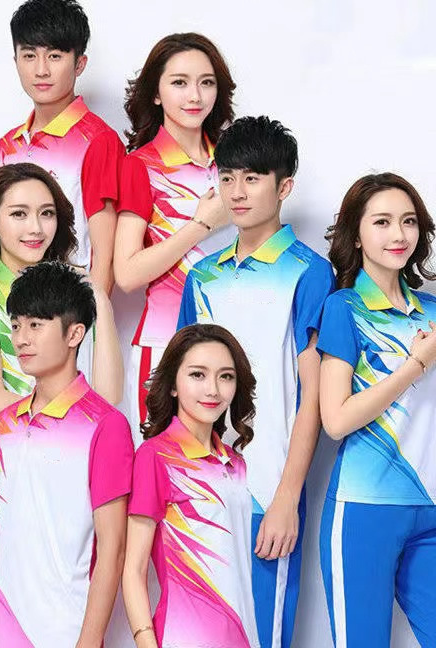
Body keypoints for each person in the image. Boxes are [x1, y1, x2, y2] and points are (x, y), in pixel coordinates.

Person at [178, 116, 335, 648]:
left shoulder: (310, 273)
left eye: (252, 178)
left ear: (283, 187)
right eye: (227, 177)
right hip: (199, 490)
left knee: (262, 636)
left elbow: (313, 397)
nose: (237, 192)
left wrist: (288, 497)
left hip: (269, 490)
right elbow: (183, 389)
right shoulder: (203, 277)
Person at [0, 162, 123, 617]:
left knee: (70, 617)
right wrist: (71, 416)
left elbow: (108, 399)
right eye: (19, 214)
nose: (35, 228)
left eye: (46, 213)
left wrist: (99, 297)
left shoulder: (75, 292)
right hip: (5, 479)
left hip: (76, 476)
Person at [0, 262, 134, 647]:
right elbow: (2, 533)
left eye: (35, 325)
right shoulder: (3, 425)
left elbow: (113, 548)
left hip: (62, 632)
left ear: (75, 333)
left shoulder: (106, 427)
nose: (21, 339)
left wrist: (88, 641)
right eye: (16, 325)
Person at [317, 173, 436, 647]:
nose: (399, 234)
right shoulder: (344, 308)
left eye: (408, 221)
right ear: (356, 233)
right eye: (382, 222)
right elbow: (336, 419)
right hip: (365, 509)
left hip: (430, 507)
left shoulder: (433, 312)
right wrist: (415, 365)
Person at [114, 32, 236, 441]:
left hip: (236, 338)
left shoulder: (235, 164)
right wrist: (201, 225)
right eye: (179, 82)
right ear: (155, 93)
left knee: (232, 466)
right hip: (165, 341)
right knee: (161, 465)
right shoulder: (140, 166)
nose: (195, 95)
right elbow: (127, 273)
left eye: (206, 82)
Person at [123, 324, 259, 648]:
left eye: (226, 376)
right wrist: (145, 641)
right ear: (172, 385)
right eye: (198, 374)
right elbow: (134, 569)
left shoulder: (235, 464)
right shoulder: (156, 457)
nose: (213, 389)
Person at [0, 0, 124, 293]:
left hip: (68, 304)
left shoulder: (98, 140)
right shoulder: (6, 147)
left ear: (79, 64)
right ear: (16, 61)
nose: (41, 70)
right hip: (8, 302)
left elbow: (104, 256)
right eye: (29, 56)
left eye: (54, 56)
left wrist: (93, 315)